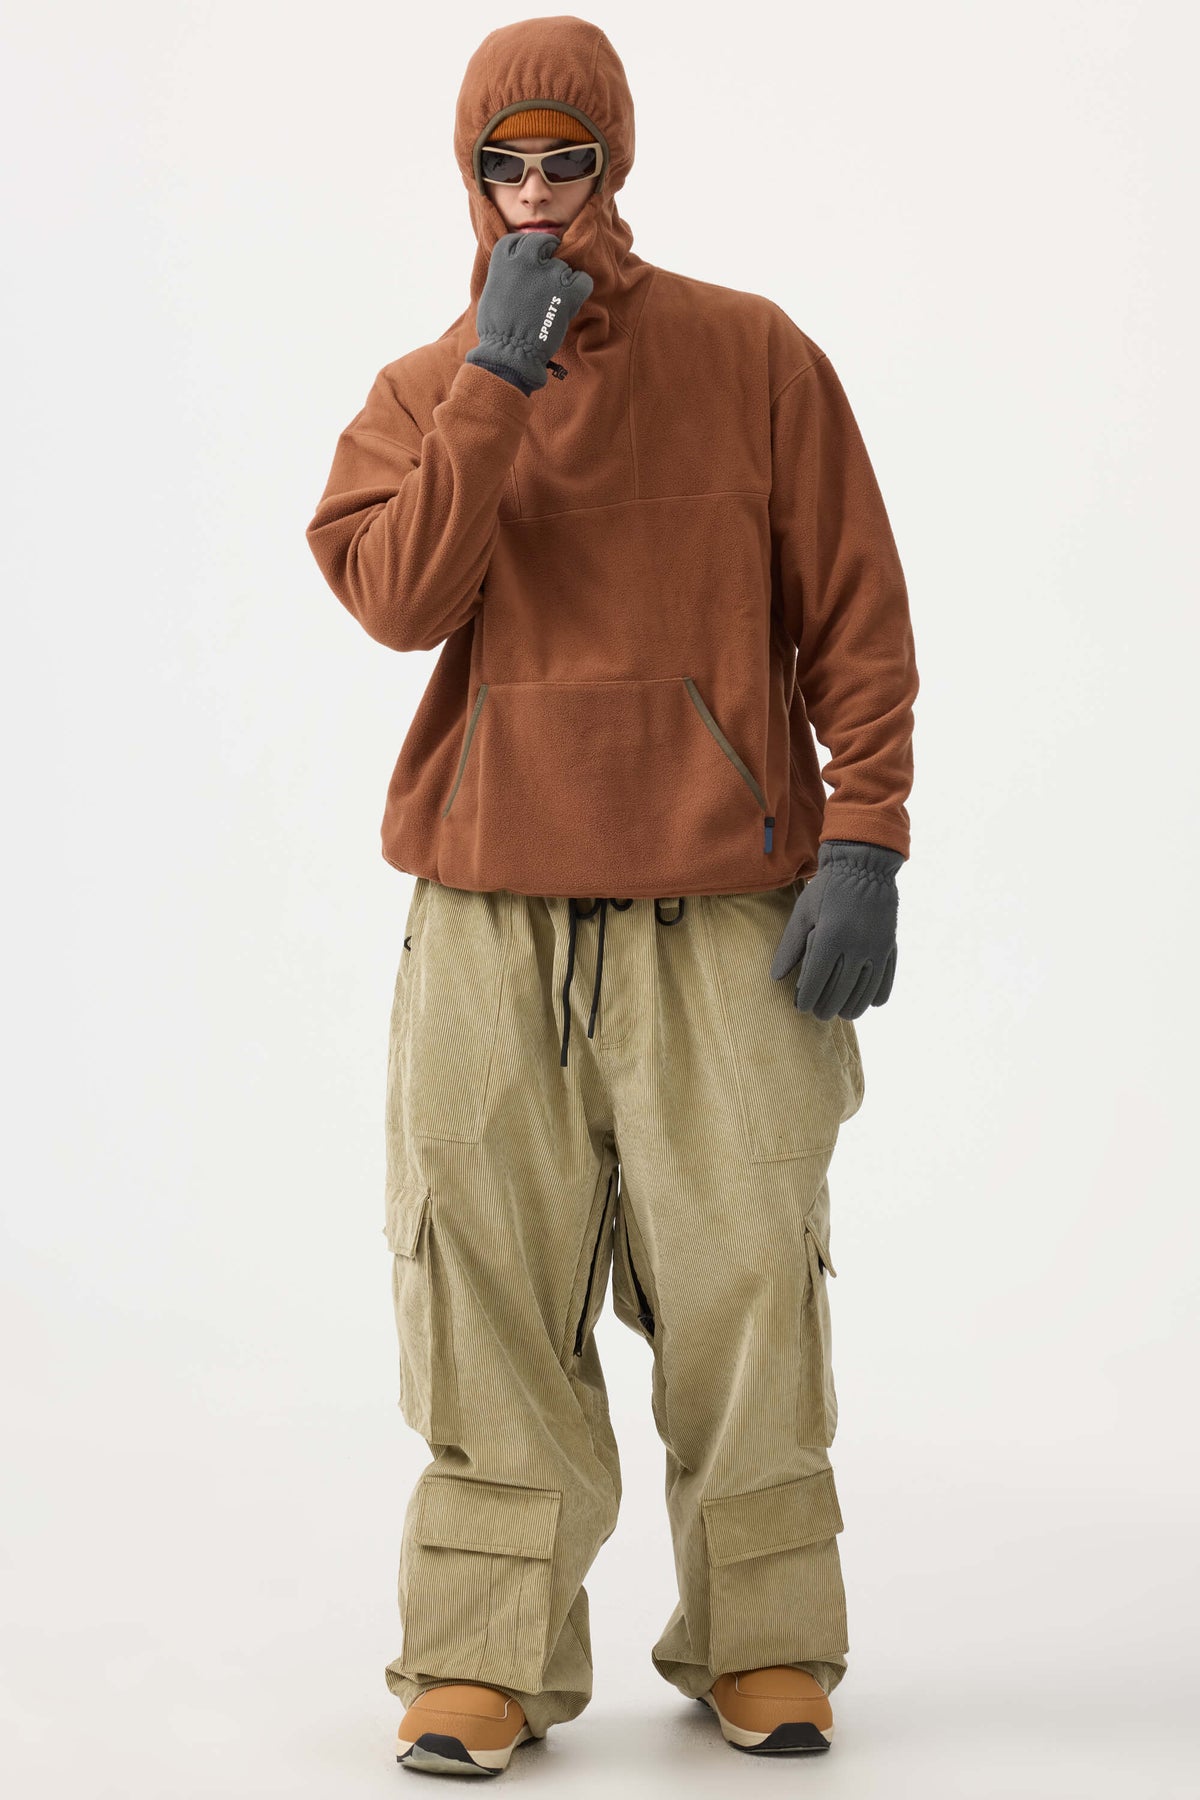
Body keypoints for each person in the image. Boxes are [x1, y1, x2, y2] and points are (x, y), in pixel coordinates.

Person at [305, 13, 918, 1777]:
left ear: (613, 162)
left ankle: (766, 1639)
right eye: (502, 164)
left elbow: (856, 608)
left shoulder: (752, 355)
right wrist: (497, 378)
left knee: (750, 1282)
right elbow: (397, 603)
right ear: (467, 177)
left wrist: (865, 837)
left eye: (563, 160)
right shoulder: (424, 391)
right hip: (489, 909)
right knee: (482, 1286)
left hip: (721, 909)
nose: (534, 192)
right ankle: (483, 1657)